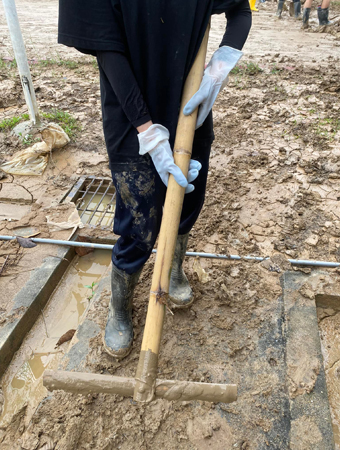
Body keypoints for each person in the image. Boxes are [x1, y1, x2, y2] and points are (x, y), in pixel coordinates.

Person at [58, 0, 251, 359]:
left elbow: (241, 10)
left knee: (189, 199)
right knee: (139, 219)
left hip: (190, 106)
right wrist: (147, 131)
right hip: (130, 111)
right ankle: (121, 304)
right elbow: (105, 45)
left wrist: (218, 70)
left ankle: (173, 269)